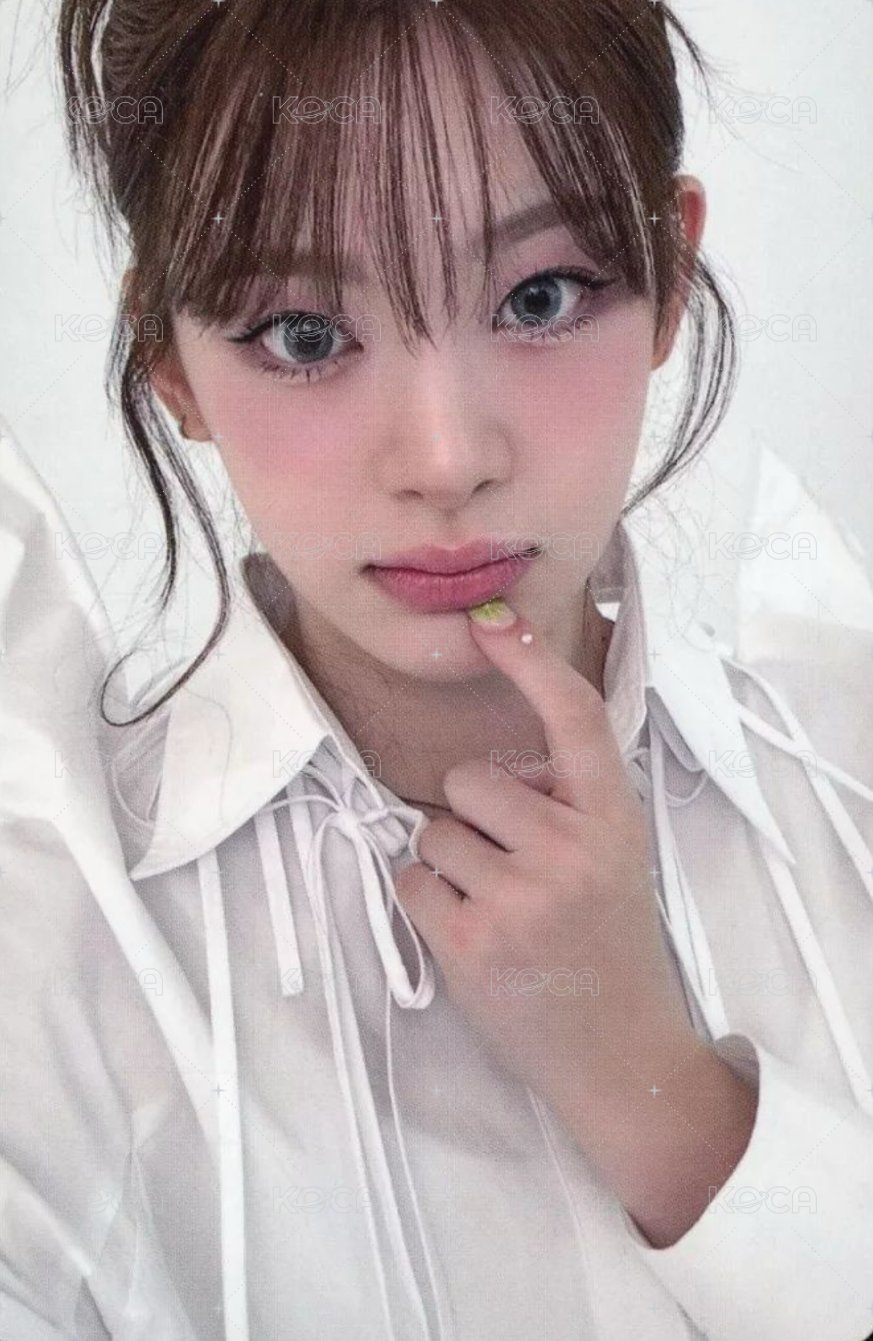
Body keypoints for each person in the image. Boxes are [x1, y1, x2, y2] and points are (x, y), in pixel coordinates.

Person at [1, 0, 872, 1337]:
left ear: (668, 273)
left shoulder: (848, 780)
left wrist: (669, 1109)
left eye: (538, 297)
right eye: (304, 334)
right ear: (168, 360)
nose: (446, 458)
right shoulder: (56, 953)